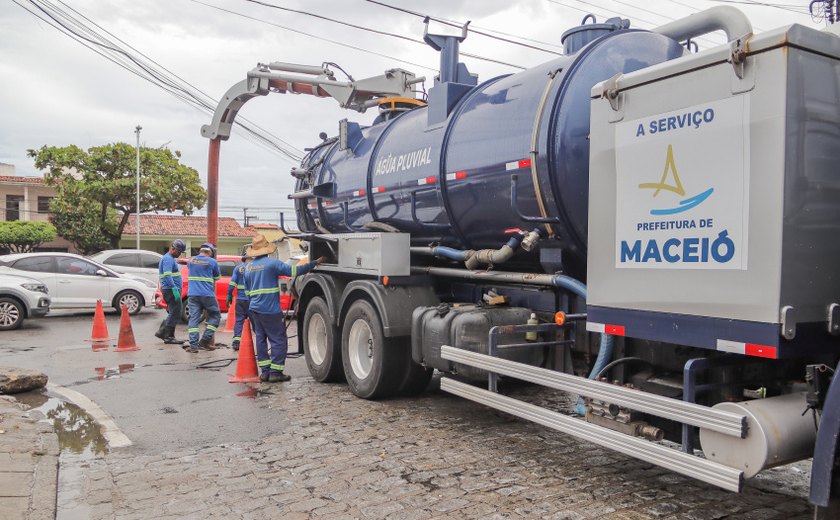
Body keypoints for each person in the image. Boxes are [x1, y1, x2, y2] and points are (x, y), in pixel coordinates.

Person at [242, 234, 326, 382]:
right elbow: (295, 272)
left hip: (254, 309)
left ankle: (265, 372)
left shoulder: (248, 267)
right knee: (278, 340)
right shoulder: (271, 264)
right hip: (270, 310)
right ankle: (276, 372)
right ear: (266, 249)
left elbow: (247, 291)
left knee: (261, 339)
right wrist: (315, 262)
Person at [186, 242, 221, 353]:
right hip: (207, 295)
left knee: (194, 319)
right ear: (209, 252)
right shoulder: (212, 262)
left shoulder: (191, 260)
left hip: (192, 294)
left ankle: (193, 346)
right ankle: (205, 340)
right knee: (215, 316)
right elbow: (217, 277)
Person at [155, 239, 186, 345]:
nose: (179, 254)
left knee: (175, 312)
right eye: (179, 252)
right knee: (175, 312)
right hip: (170, 290)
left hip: (170, 289)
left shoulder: (169, 258)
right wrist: (174, 289)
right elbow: (167, 275)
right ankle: (167, 336)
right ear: (173, 248)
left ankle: (164, 333)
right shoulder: (168, 259)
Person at [226, 255, 251, 351]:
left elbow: (232, 283)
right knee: (256, 322)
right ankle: (260, 342)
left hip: (240, 300)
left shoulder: (238, 268)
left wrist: (229, 295)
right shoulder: (255, 267)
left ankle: (236, 342)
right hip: (252, 300)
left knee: (239, 321)